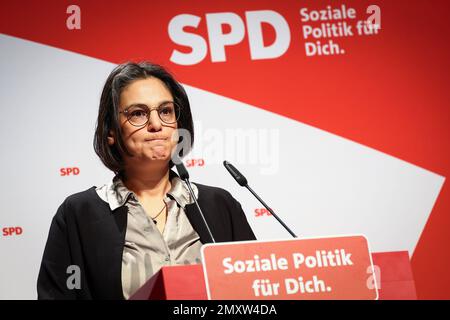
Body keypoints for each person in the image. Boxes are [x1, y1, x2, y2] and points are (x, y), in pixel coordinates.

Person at [37, 62, 256, 300]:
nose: (156, 124)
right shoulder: (79, 214)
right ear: (111, 131)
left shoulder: (218, 204)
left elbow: (255, 288)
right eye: (138, 113)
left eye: (166, 111)